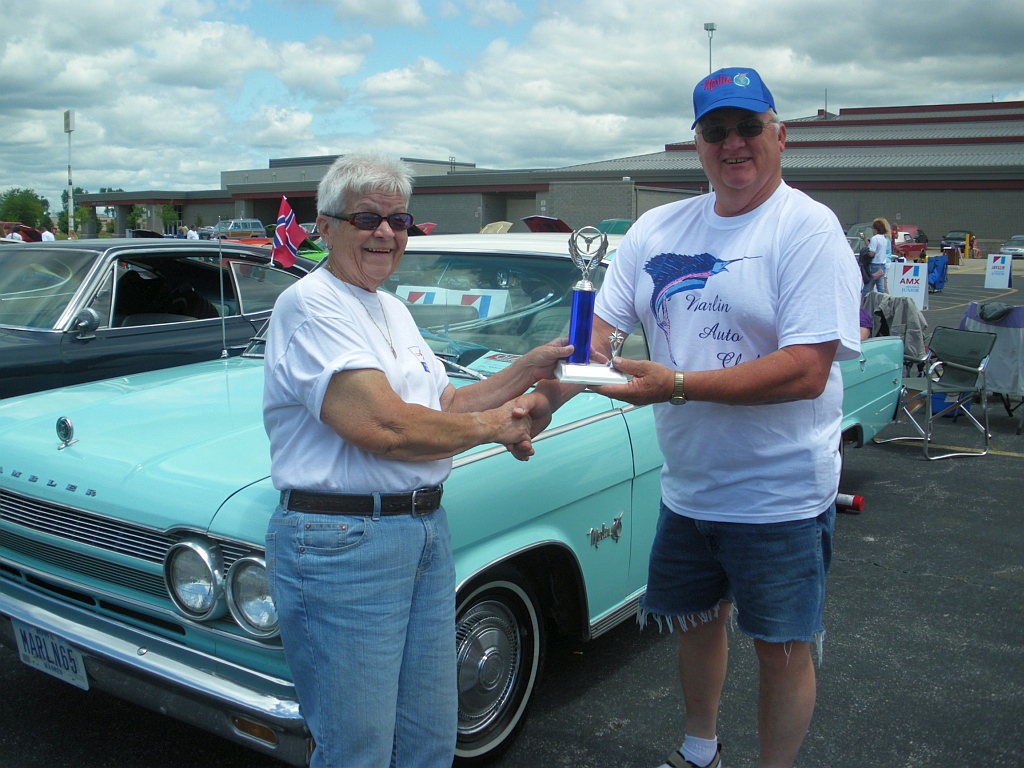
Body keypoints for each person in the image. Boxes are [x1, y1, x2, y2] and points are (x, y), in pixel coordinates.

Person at [516, 67, 860, 768]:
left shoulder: (807, 228)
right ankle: (700, 749)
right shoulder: (657, 228)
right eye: (716, 130)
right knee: (697, 624)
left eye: (748, 127)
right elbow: (597, 341)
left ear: (780, 136)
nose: (733, 143)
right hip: (690, 488)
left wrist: (676, 385)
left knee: (782, 649)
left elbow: (806, 369)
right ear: (697, 143)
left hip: (780, 495)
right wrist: (538, 404)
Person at [262, 151, 570, 768]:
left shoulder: (392, 308)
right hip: (344, 544)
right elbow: (385, 427)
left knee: (429, 738)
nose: (385, 232)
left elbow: (445, 404)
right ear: (324, 227)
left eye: (398, 220)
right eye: (367, 218)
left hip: (422, 531)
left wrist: (526, 369)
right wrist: (497, 428)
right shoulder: (311, 303)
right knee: (358, 752)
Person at [861, 218, 890, 294]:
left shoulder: (874, 238)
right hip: (882, 264)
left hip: (874, 264)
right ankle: (883, 300)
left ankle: (863, 300)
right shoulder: (884, 238)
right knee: (881, 288)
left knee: (867, 286)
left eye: (873, 228)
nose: (872, 230)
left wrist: (865, 254)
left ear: (876, 229)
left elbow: (872, 253)